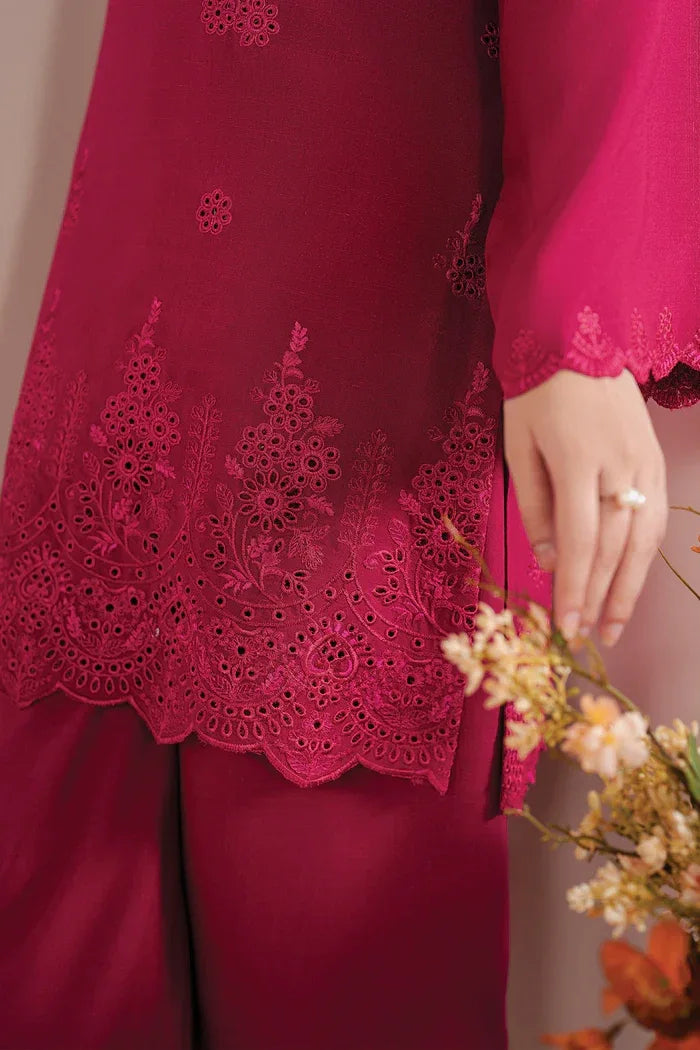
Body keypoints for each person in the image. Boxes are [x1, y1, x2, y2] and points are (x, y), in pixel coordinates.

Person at [0, 2, 697, 1048]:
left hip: (381, 276)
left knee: (329, 896)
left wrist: (576, 317)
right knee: (85, 883)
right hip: (188, 192)